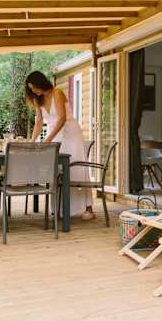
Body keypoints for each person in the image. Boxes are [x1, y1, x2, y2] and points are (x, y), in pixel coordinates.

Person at [25, 71, 95, 220]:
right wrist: (32, 141)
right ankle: (60, 209)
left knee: (77, 169)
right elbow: (39, 122)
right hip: (55, 134)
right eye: (31, 89)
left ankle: (88, 208)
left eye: (34, 87)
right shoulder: (38, 99)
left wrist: (48, 139)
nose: (33, 91)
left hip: (71, 134)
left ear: (40, 82)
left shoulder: (57, 92)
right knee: (57, 170)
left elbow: (62, 118)